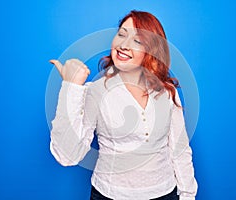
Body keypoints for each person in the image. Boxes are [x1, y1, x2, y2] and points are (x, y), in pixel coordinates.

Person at [49, 10, 198, 200]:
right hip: (110, 195)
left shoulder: (167, 92)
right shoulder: (97, 90)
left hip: (165, 193)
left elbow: (180, 151)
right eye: (121, 34)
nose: (124, 45)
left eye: (137, 41)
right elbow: (67, 155)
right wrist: (71, 87)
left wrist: (187, 195)